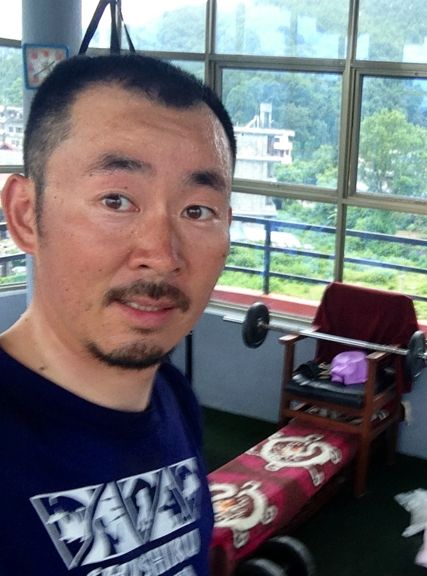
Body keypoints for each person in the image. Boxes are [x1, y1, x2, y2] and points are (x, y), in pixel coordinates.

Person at [0, 53, 236, 575]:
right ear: (26, 215)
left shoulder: (172, 398)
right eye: (115, 200)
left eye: (197, 210)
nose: (162, 254)